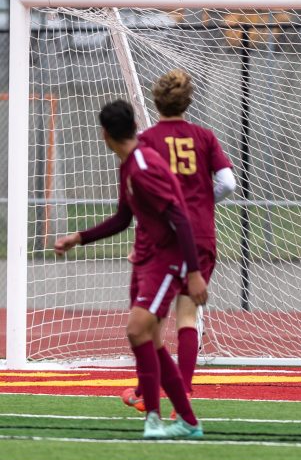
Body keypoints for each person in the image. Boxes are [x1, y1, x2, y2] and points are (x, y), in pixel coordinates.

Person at [55, 100, 206, 440]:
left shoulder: (144, 167)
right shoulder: (130, 165)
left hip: (167, 260)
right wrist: (79, 237)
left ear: (104, 134)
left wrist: (193, 272)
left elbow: (181, 219)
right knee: (150, 338)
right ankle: (181, 420)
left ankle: (159, 418)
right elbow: (124, 218)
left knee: (137, 330)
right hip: (146, 260)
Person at [120, 69, 236, 415]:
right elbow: (228, 183)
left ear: (156, 101)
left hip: (162, 239)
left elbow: (139, 190)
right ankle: (181, 393)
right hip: (200, 234)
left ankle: (146, 390)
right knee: (188, 315)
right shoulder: (204, 137)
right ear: (188, 102)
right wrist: (202, 202)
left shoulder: (146, 140)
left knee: (152, 318)